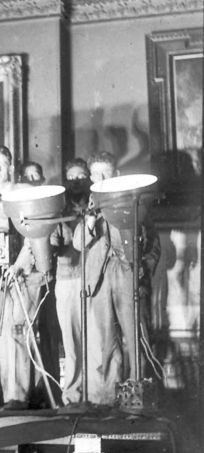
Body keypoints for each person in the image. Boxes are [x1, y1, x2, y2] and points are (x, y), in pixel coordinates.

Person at [73, 151, 160, 405]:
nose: (99, 178)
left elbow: (153, 243)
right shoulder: (90, 203)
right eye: (95, 174)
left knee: (136, 338)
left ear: (116, 174)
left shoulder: (133, 197)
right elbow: (79, 244)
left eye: (105, 173)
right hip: (100, 280)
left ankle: (136, 400)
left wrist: (143, 267)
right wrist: (89, 220)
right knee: (106, 344)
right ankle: (108, 400)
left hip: (128, 274)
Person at [0, 145, 49, 409]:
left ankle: (19, 397)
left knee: (18, 331)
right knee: (0, 335)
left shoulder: (26, 194)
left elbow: (36, 234)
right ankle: (9, 393)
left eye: (2, 165)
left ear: (10, 167)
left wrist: (19, 266)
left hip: (25, 276)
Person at [50, 158, 91, 404]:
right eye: (71, 177)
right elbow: (54, 245)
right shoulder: (58, 210)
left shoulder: (98, 205)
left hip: (95, 279)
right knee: (72, 341)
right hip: (67, 280)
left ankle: (98, 392)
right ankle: (73, 394)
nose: (76, 182)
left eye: (81, 176)